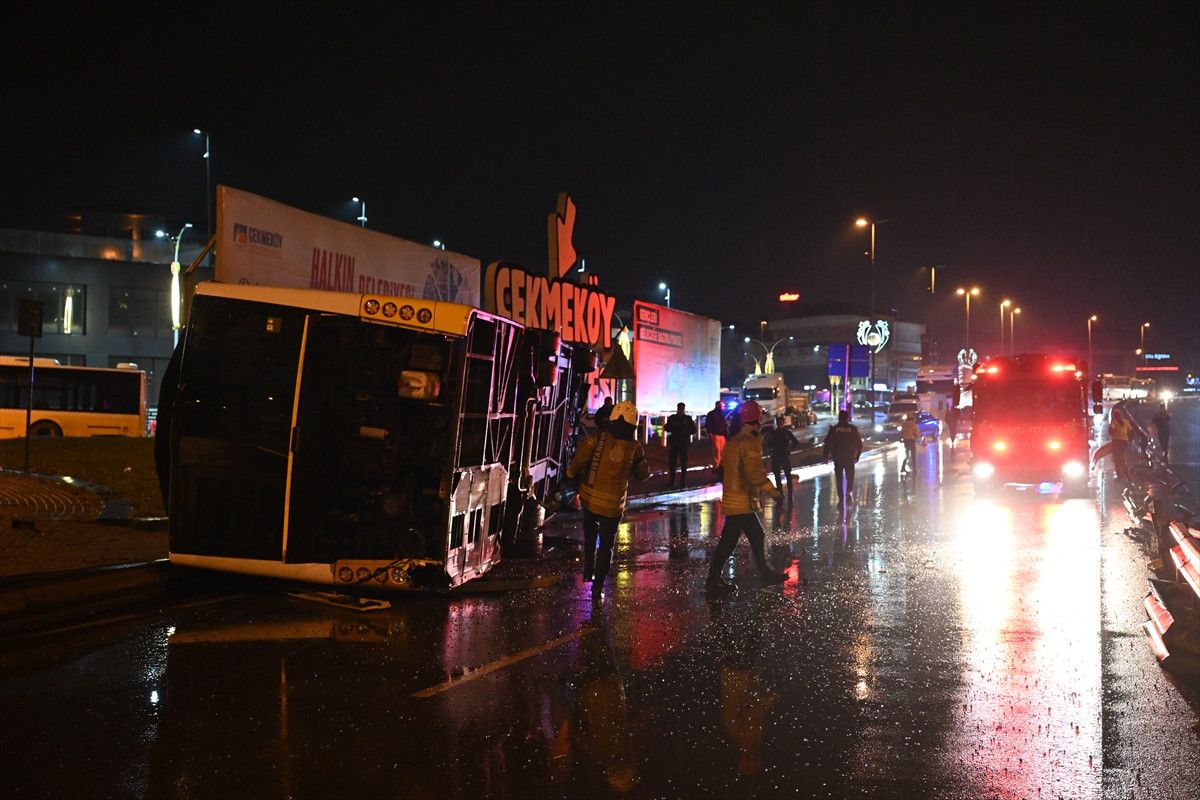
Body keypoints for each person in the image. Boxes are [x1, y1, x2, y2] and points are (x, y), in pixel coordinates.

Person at [567, 401, 650, 596]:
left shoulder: (598, 439)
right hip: (613, 507)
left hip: (590, 499)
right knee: (606, 545)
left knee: (590, 535)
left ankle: (589, 568)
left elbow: (578, 462)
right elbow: (643, 474)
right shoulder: (634, 448)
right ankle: (598, 587)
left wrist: (570, 476)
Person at [705, 400, 787, 594]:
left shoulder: (734, 440)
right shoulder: (749, 441)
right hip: (742, 501)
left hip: (736, 499)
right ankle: (714, 580)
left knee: (750, 536)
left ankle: (763, 572)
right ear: (757, 418)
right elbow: (754, 474)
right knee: (732, 541)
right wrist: (775, 493)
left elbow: (722, 469)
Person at [823, 409, 863, 508]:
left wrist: (825, 456)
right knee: (850, 476)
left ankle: (841, 498)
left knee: (839, 478)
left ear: (839, 417)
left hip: (838, 457)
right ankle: (849, 492)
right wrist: (857, 455)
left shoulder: (834, 429)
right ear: (847, 418)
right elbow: (859, 443)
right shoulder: (853, 429)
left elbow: (827, 443)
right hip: (849, 457)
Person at [664, 402, 698, 488]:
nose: (681, 410)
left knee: (683, 463)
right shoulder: (673, 418)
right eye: (681, 408)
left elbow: (693, 430)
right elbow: (667, 428)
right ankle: (673, 481)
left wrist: (685, 431)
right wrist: (674, 427)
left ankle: (682, 482)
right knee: (673, 463)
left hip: (683, 443)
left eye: (682, 408)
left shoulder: (687, 419)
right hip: (676, 442)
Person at [767, 424, 798, 494]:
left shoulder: (784, 433)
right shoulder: (779, 433)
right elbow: (769, 444)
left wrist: (790, 450)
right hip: (779, 455)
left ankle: (785, 490)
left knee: (783, 474)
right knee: (781, 474)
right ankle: (783, 490)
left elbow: (769, 444)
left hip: (781, 455)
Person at [1109, 407, 1132, 479]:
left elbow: (1110, 431)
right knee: (1121, 455)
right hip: (1124, 442)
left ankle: (1121, 473)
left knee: (1117, 457)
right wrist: (1129, 440)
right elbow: (1131, 431)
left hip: (1116, 442)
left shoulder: (1114, 422)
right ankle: (1125, 471)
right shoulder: (1126, 422)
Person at [706, 400, 729, 469]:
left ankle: (721, 466)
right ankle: (716, 466)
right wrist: (710, 433)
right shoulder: (712, 414)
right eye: (722, 405)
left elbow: (724, 425)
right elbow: (709, 424)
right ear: (718, 405)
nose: (723, 407)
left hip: (722, 435)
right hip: (716, 435)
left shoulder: (721, 414)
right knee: (717, 452)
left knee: (722, 452)